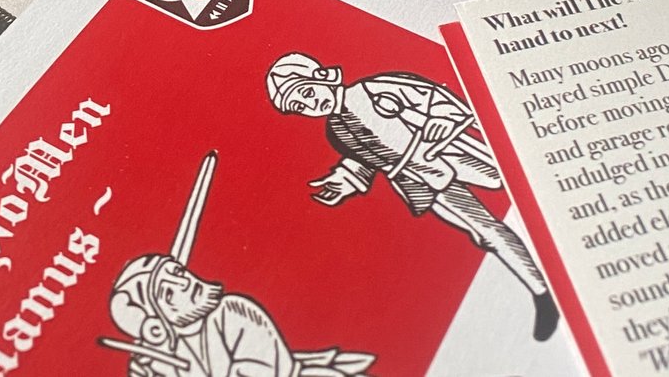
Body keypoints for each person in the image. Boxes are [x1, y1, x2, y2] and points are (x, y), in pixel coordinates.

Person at [266, 53, 559, 344]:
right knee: (484, 232)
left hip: (450, 154)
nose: (310, 106)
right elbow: (365, 159)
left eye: (307, 93)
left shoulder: (374, 89)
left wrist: (442, 118)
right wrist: (346, 181)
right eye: (299, 107)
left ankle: (560, 252)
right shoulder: (336, 131)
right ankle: (542, 292)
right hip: (418, 181)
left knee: (524, 185)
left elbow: (431, 97)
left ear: (322, 77)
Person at [103, 154, 373, 377]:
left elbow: (265, 370)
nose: (184, 281)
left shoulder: (231, 311)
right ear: (156, 328)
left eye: (177, 271)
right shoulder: (158, 360)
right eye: (168, 292)